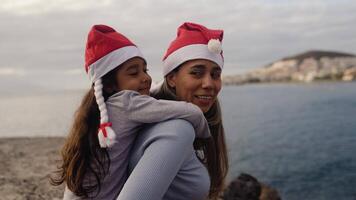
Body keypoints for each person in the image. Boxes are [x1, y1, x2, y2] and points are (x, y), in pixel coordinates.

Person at [50, 24, 211, 199]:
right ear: (110, 84)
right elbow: (190, 111)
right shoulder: (127, 102)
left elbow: (152, 101)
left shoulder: (100, 110)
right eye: (134, 73)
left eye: (145, 70)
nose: (146, 78)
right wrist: (203, 135)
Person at [117, 22, 229, 200]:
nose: (208, 84)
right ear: (171, 79)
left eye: (215, 75)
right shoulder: (177, 130)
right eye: (197, 73)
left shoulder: (156, 121)